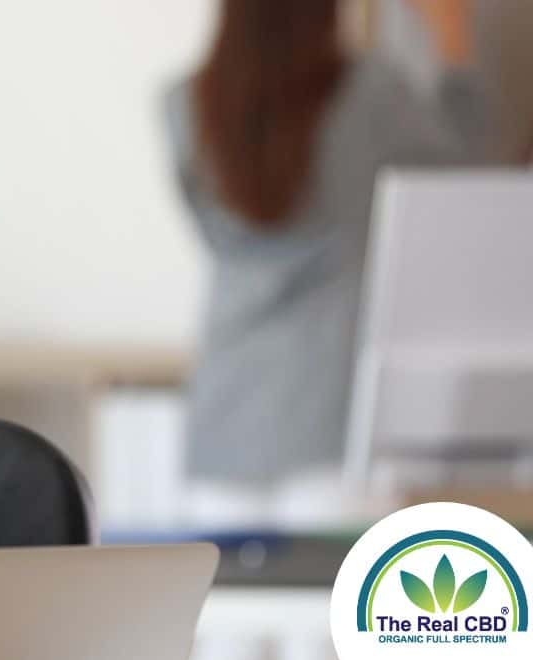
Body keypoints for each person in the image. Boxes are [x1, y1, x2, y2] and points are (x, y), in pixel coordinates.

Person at [162, 0, 494, 528]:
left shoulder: (184, 104)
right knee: (354, 607)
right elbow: (467, 174)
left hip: (224, 426)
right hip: (333, 424)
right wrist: (454, 39)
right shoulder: (365, 93)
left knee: (228, 610)